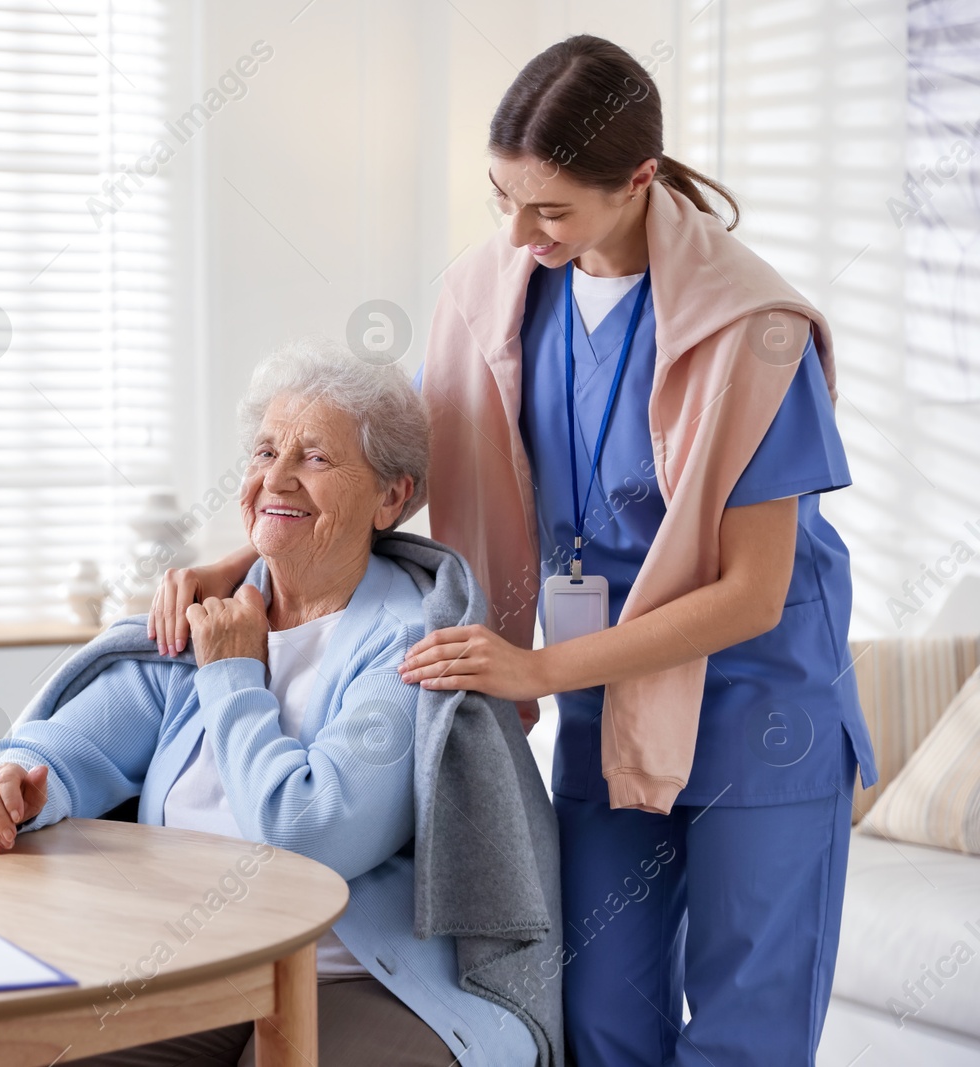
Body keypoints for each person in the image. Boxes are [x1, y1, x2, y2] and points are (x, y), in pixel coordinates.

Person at [153, 35, 876, 1067]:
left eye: (549, 210)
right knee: (595, 1018)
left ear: (636, 180)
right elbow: (378, 472)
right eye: (501, 199)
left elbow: (753, 592)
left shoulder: (752, 331)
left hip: (761, 708)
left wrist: (535, 667)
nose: (519, 232)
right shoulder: (492, 296)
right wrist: (254, 557)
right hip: (608, 701)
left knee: (743, 1034)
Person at [0, 339, 546, 1067]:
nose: (277, 478)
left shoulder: (410, 644)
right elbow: (73, 746)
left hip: (356, 976)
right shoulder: (216, 613)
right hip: (195, 960)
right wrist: (18, 779)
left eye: (315, 458)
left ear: (392, 496)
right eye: (266, 452)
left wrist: (236, 676)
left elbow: (307, 838)